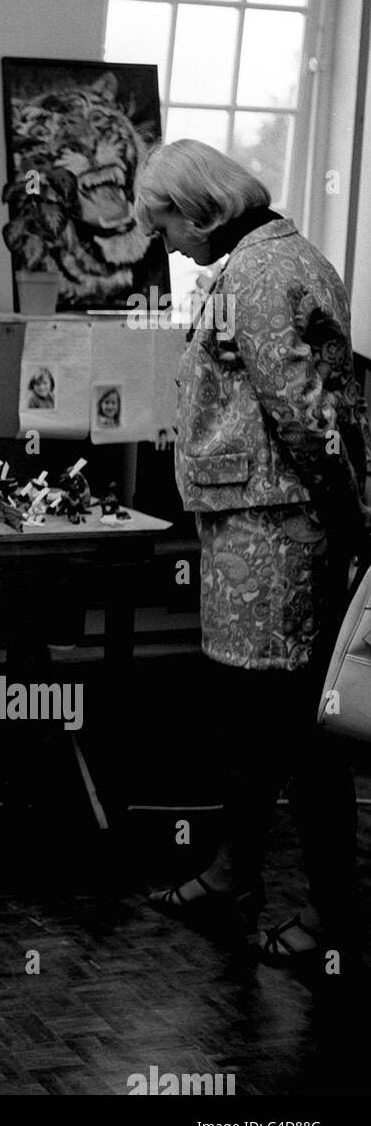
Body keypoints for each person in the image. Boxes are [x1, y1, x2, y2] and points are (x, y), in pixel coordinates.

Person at [135, 139, 368, 963]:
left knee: (294, 729)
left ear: (200, 206)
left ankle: (332, 918)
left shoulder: (263, 271)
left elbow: (306, 413)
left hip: (276, 533)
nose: (162, 243)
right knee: (261, 723)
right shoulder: (266, 258)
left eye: (162, 223)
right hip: (256, 529)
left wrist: (349, 518)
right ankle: (233, 874)